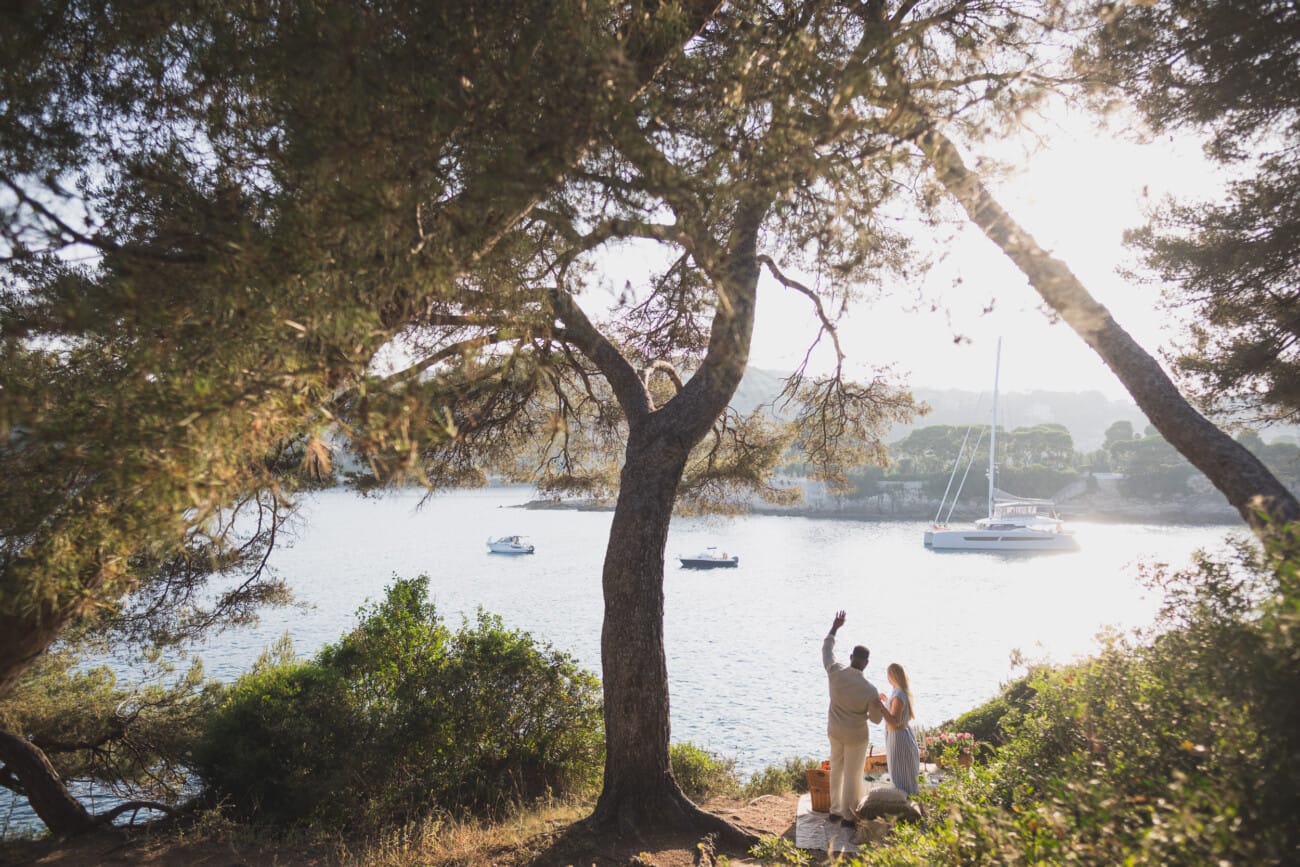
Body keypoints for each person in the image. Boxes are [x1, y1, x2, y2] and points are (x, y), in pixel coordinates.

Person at [822, 610, 885, 826]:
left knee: (836, 768)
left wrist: (835, 628)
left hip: (835, 730)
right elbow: (876, 719)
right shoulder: (870, 690)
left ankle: (834, 810)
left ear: (851, 658)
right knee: (852, 773)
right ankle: (849, 816)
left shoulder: (835, 672)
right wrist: (879, 704)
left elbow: (827, 650)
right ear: (866, 663)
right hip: (856, 735)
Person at [879, 662, 921, 796]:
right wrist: (886, 700)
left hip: (898, 738)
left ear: (892, 675)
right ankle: (910, 801)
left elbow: (894, 721)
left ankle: (904, 802)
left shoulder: (898, 695)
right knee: (903, 772)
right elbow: (895, 711)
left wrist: (879, 706)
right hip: (901, 735)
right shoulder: (899, 691)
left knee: (900, 774)